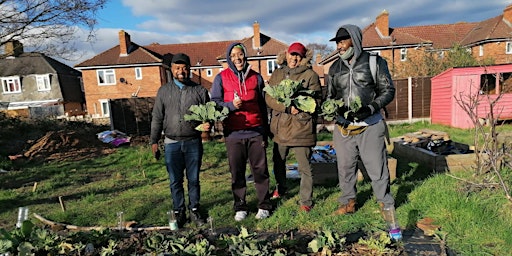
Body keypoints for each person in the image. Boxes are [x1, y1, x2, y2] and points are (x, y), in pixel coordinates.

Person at [326, 25, 397, 219]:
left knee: (377, 167)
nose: (339, 46)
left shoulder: (375, 62)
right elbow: (330, 96)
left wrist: (371, 108)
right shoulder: (334, 68)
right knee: (345, 167)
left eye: (343, 41)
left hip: (370, 126)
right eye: (338, 43)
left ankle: (385, 203)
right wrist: (335, 109)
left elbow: (388, 90)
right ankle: (348, 202)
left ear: (354, 41)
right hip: (344, 128)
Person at [210, 42, 272, 221]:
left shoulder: (256, 77)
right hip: (233, 133)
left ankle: (264, 205)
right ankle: (240, 206)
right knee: (237, 172)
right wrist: (230, 106)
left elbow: (262, 105)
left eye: (240, 54)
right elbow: (215, 102)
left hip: (255, 131)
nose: (237, 58)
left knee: (260, 170)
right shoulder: (221, 78)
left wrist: (264, 131)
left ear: (245, 56)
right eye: (234, 55)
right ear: (229, 58)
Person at [150, 53, 210, 228]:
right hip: (171, 143)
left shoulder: (199, 91)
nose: (181, 71)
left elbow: (208, 114)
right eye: (177, 68)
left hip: (193, 142)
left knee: (193, 179)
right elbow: (157, 117)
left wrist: (208, 125)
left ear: (189, 69)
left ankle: (194, 209)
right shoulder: (164, 91)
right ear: (172, 70)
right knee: (175, 180)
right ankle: (179, 210)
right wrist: (154, 140)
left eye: (184, 68)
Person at [265, 42, 321, 212]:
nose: (294, 58)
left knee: (304, 167)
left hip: (301, 127)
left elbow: (317, 101)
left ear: (303, 58)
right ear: (286, 54)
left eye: (298, 55)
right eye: (292, 54)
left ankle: (306, 200)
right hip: (280, 126)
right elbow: (269, 97)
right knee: (278, 162)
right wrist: (286, 107)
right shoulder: (278, 73)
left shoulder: (310, 75)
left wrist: (300, 104)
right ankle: (281, 188)